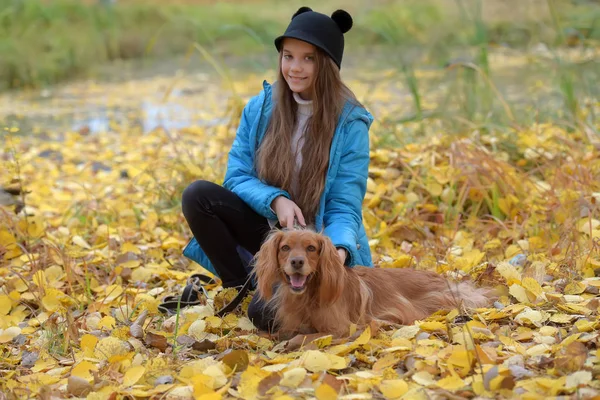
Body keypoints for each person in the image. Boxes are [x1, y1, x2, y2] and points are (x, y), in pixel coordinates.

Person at [181, 6, 374, 332]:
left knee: (265, 318)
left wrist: (338, 252)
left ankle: (273, 294)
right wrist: (276, 201)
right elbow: (237, 174)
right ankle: (244, 284)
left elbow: (344, 204)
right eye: (288, 56)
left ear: (326, 64)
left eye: (308, 58)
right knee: (198, 195)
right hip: (271, 232)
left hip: (317, 242)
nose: (295, 68)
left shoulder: (349, 121)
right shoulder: (260, 107)